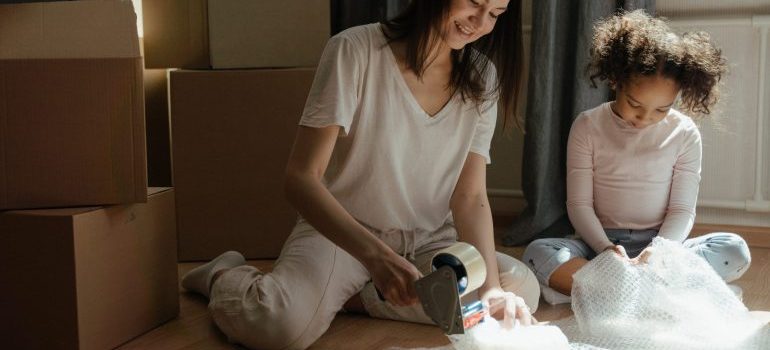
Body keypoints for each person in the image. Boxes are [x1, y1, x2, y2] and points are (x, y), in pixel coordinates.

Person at [181, 1, 541, 349]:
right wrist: (376, 258)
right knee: (278, 326)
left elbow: (470, 196)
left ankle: (357, 296)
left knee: (519, 289)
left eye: (495, 13)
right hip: (343, 236)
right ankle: (223, 275)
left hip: (430, 240)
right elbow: (301, 177)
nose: (479, 22)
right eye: (474, 3)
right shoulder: (355, 50)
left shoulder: (482, 76)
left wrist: (491, 288)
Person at [523, 9, 751, 305]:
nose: (644, 118)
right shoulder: (587, 126)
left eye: (661, 109)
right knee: (538, 252)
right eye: (634, 104)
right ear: (616, 81)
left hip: (662, 247)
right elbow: (578, 204)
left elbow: (682, 210)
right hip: (600, 246)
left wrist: (658, 251)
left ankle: (613, 290)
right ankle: (652, 291)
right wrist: (605, 249)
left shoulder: (684, 133)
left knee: (735, 250)